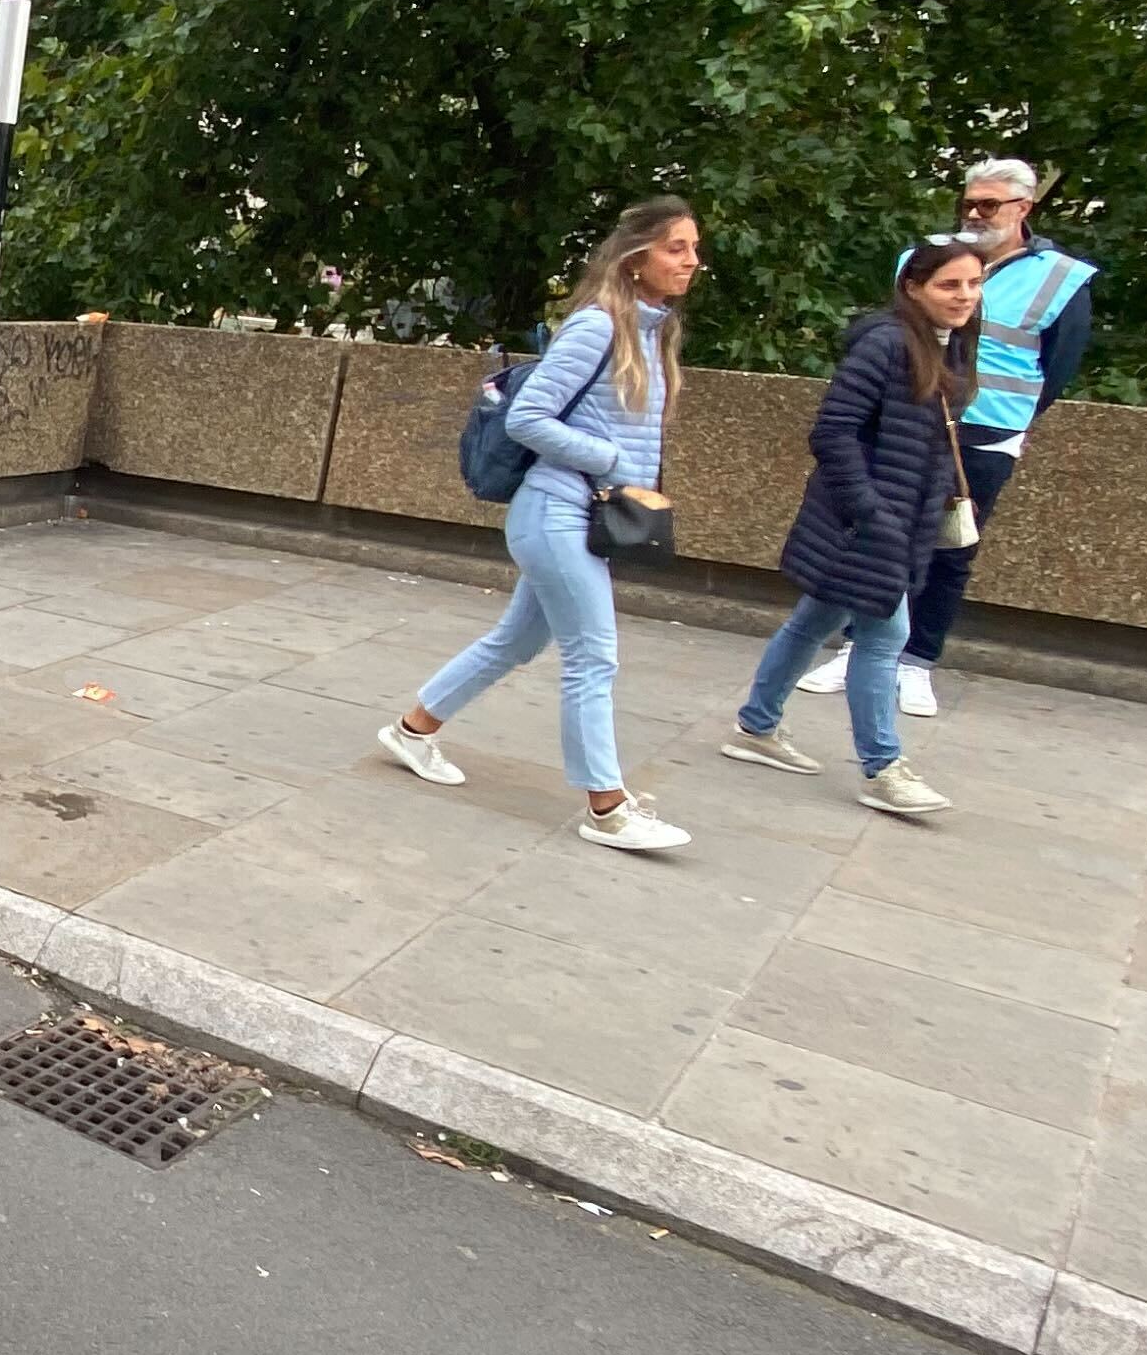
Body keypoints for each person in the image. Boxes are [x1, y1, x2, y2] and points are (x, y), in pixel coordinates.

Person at [374, 199, 701, 852]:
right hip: (554, 512)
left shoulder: (647, 331)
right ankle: (606, 809)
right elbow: (528, 419)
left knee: (515, 644)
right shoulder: (597, 327)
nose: (692, 261)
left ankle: (411, 731)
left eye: (694, 248)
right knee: (594, 656)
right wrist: (608, 460)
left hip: (581, 517)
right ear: (636, 257)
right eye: (677, 248)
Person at [805, 156, 1093, 719]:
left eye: (989, 205)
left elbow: (1060, 365)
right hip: (913, 416)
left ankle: (916, 662)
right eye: (968, 202)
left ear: (1023, 208)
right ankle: (859, 649)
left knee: (953, 545)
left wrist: (1011, 419)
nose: (975, 214)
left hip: (989, 429)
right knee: (882, 538)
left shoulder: (1062, 276)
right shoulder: (926, 255)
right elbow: (900, 329)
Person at [722, 241, 984, 818]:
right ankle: (883, 768)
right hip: (867, 523)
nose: (964, 296)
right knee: (885, 638)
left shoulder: (952, 347)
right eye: (949, 285)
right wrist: (871, 511)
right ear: (913, 288)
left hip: (896, 520)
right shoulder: (887, 343)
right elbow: (833, 431)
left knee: (816, 618)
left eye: (972, 283)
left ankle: (755, 727)